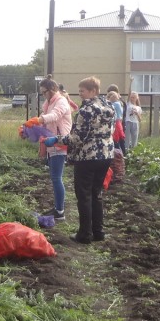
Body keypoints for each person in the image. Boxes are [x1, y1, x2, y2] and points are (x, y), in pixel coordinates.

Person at [43, 76, 115, 244]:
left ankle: (85, 234)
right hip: (106, 155)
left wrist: (56, 139)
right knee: (96, 193)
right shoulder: (109, 106)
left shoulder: (86, 110)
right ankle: (98, 231)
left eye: (82, 91)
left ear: (93, 91)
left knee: (84, 195)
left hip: (87, 156)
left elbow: (77, 137)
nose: (80, 94)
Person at [27, 77, 73, 220]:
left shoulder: (61, 101)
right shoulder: (48, 103)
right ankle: (58, 208)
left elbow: (54, 116)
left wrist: (39, 119)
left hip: (59, 142)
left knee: (56, 177)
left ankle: (60, 211)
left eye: (44, 92)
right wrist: (29, 127)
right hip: (51, 142)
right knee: (54, 178)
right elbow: (45, 118)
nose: (43, 95)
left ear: (52, 89)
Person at [106, 85, 127, 154]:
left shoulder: (116, 104)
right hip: (119, 123)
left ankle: (119, 154)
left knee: (117, 140)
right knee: (120, 140)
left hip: (117, 123)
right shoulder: (119, 102)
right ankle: (122, 153)